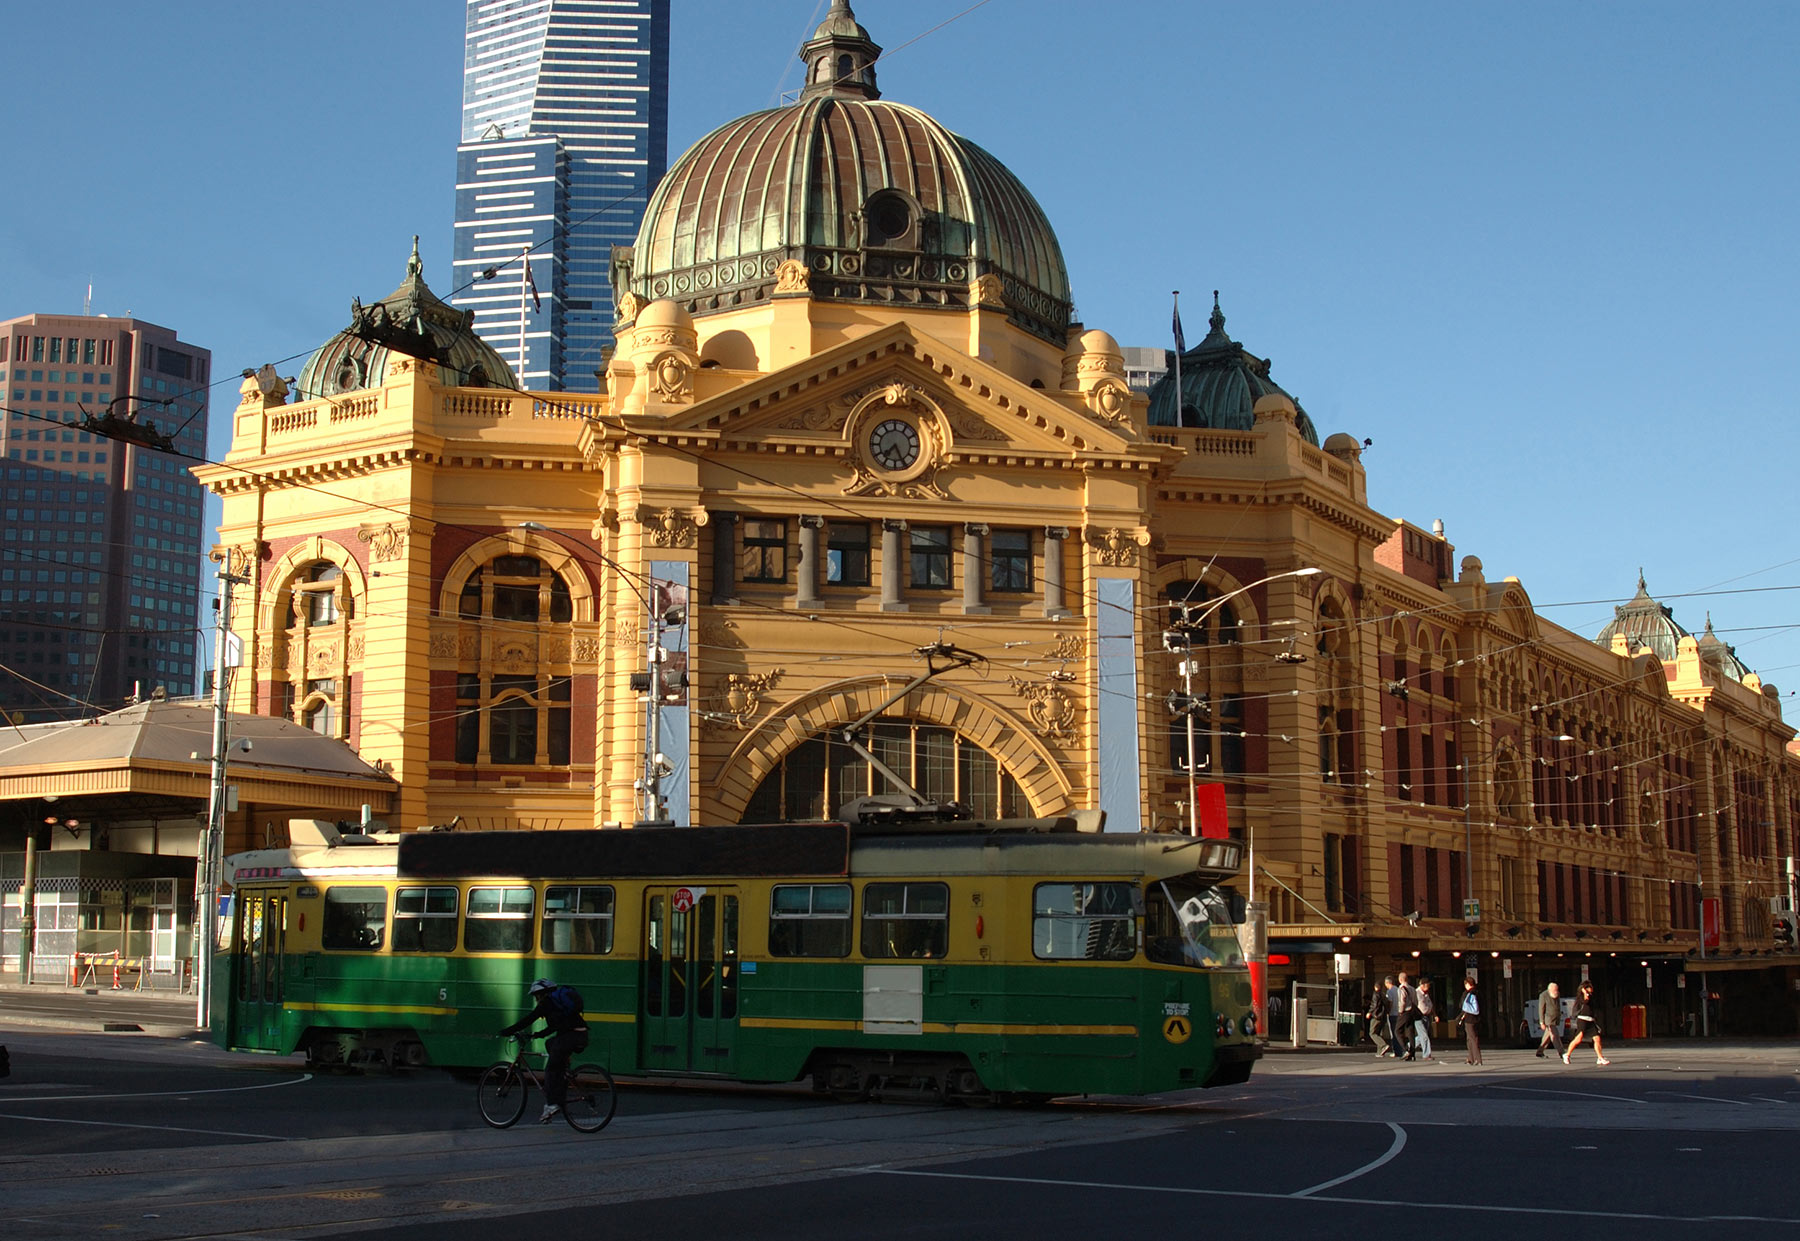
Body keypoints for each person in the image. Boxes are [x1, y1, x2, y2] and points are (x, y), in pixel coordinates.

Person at [499, 978, 589, 1122]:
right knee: (550, 1044)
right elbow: (554, 1027)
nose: (536, 1000)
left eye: (536, 996)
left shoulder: (547, 1003)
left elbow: (529, 1019)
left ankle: (552, 1104)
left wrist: (507, 1031)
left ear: (541, 994)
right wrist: (537, 1035)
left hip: (570, 1037)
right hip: (581, 1036)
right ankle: (564, 1075)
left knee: (550, 1070)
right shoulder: (558, 1005)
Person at [1563, 980, 1609, 1065]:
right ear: (1585, 989)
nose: (1591, 989)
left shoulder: (1592, 996)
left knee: (1597, 1039)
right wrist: (1584, 993)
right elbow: (1585, 1001)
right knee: (1578, 1039)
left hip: (1590, 1020)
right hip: (1582, 1020)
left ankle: (1600, 1057)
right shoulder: (1581, 997)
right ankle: (1567, 1054)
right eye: (1589, 987)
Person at [1393, 971, 1420, 1060]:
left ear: (1400, 979)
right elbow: (1416, 1001)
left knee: (1397, 1030)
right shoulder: (1412, 989)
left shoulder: (1401, 989)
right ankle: (1412, 1054)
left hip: (1405, 1011)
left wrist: (1400, 1011)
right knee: (1410, 1031)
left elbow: (1402, 1001)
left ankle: (1406, 1049)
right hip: (1412, 1011)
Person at [1367, 976, 1395, 1056]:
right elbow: (1387, 1005)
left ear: (1375, 986)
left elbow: (1374, 1005)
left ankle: (1383, 1045)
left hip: (1376, 1016)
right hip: (1383, 1016)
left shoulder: (1376, 994)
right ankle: (1380, 1052)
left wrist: (1370, 1012)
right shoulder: (1383, 995)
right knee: (1378, 1033)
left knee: (1372, 1033)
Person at [1457, 976, 1482, 1065]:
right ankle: (1471, 1058)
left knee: (1472, 1039)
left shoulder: (1468, 993)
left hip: (1469, 1018)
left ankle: (1477, 1059)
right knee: (1471, 1038)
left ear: (1467, 984)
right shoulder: (1478, 992)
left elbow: (1462, 1005)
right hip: (1476, 1018)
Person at [1535, 981, 1564, 1058]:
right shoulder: (1543, 995)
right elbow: (1541, 1009)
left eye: (1557, 990)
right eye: (1554, 990)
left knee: (1546, 1037)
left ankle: (1540, 1052)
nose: (1556, 992)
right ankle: (1562, 1052)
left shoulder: (1557, 994)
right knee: (1555, 1036)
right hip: (1548, 1020)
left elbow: (1558, 1006)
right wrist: (1542, 1022)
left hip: (1555, 1019)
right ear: (1549, 990)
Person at [1413, 978, 1436, 1060]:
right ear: (1422, 985)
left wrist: (1434, 1015)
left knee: (1421, 1036)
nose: (1429, 987)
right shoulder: (1416, 993)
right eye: (1428, 985)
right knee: (1424, 1036)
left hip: (1426, 1016)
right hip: (1419, 1017)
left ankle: (1408, 1046)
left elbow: (1430, 1004)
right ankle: (1426, 1054)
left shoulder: (1426, 994)